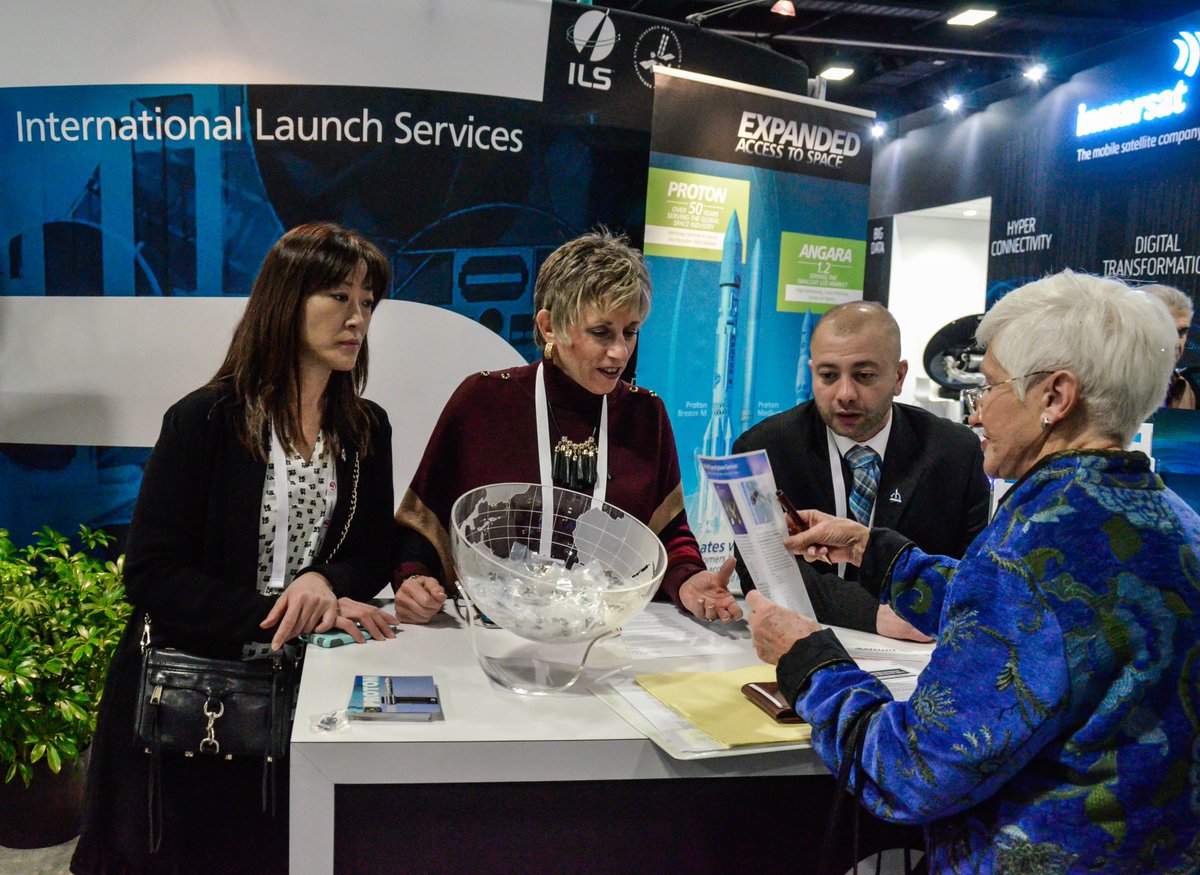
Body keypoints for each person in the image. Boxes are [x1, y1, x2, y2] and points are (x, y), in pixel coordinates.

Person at [748, 270, 1200, 872]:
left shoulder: (1032, 542)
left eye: (989, 386)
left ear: (1055, 397)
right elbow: (1048, 622)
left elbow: (913, 772)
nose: (977, 412)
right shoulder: (1176, 523)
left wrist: (808, 661)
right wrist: (871, 549)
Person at [72, 223, 398, 875]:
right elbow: (151, 573)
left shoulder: (365, 428)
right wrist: (280, 614)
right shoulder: (205, 419)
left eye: (367, 301)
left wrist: (324, 582)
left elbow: (373, 552)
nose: (357, 318)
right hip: (191, 695)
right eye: (338, 296)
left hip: (304, 697)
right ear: (287, 300)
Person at [393, 230, 741, 624]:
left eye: (630, 331)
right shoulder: (484, 402)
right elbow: (423, 526)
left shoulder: (646, 415)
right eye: (601, 332)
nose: (620, 352)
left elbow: (668, 534)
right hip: (494, 632)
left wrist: (689, 580)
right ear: (549, 326)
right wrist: (414, 579)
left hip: (605, 635)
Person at [732, 301, 989, 638]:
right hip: (805, 637)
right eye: (828, 376)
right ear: (812, 372)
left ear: (898, 376)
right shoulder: (763, 448)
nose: (845, 394)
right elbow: (760, 570)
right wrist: (871, 615)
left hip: (923, 652)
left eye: (864, 376)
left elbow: (975, 577)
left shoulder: (955, 451)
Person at [1143, 282, 1198, 409]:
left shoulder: (1184, 388)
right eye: (1167, 331)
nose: (1176, 343)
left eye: (1182, 332)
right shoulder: (1105, 387)